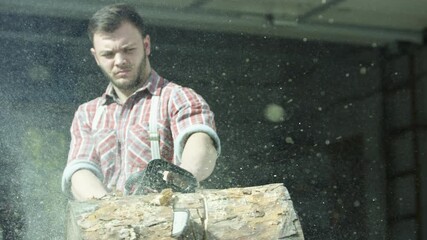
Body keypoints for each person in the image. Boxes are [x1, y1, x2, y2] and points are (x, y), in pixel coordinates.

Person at [61, 3, 220, 201]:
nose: (119, 60)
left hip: (167, 220)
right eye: (108, 54)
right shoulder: (88, 114)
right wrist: (109, 208)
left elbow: (201, 144)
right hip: (107, 223)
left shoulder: (179, 98)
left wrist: (178, 182)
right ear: (96, 57)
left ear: (146, 45)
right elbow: (80, 172)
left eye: (128, 50)